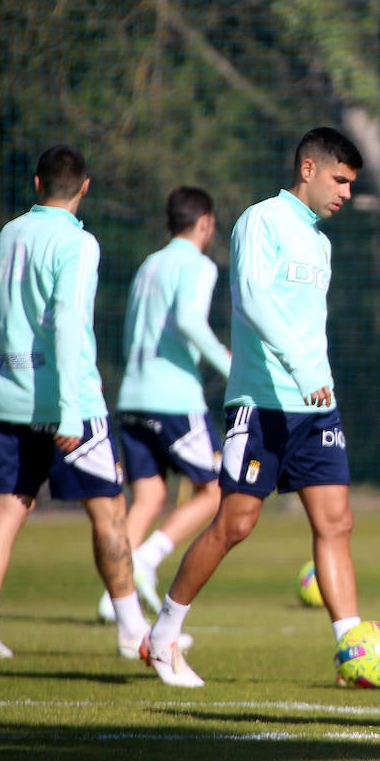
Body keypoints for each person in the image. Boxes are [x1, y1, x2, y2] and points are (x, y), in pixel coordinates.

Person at [142, 127, 380, 689]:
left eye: (351, 184)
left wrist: (314, 376)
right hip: (261, 405)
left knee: (336, 523)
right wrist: (300, 366)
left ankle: (353, 654)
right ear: (308, 170)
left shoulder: (321, 242)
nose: (345, 193)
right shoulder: (261, 220)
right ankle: (163, 637)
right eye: (340, 180)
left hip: (316, 408)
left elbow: (304, 324)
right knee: (234, 525)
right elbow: (252, 302)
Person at [0, 145, 155, 661]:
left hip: (10, 396)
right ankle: (131, 630)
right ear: (85, 187)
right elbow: (69, 321)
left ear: (36, 184)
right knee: (110, 513)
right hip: (67, 402)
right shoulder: (79, 243)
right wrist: (70, 410)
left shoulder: (9, 234)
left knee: (8, 509)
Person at [96, 187, 231, 624]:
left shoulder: (149, 264)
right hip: (172, 399)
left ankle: (113, 597)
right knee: (217, 490)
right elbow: (190, 320)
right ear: (206, 223)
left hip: (132, 396)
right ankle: (147, 563)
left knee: (150, 495)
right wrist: (233, 366)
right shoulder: (198, 264)